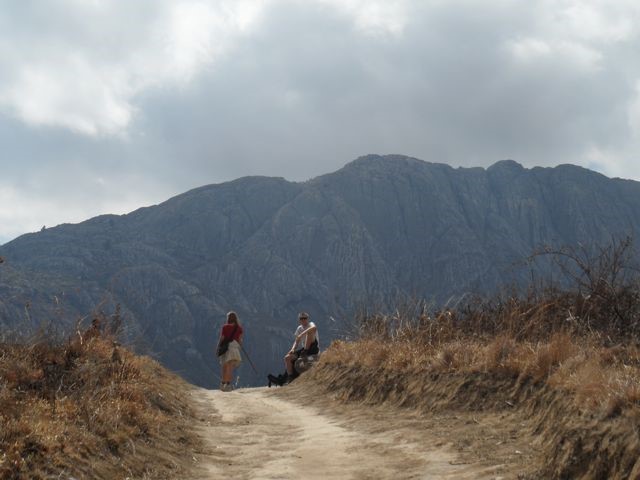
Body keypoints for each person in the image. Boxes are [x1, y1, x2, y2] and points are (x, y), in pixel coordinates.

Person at [284, 312, 319, 382]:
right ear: (299, 320)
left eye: (305, 318)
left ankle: (305, 351)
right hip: (304, 349)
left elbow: (314, 327)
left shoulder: (311, 324)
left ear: (307, 319)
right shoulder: (299, 328)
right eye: (301, 319)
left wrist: (301, 334)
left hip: (313, 347)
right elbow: (296, 341)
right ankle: (291, 377)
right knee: (287, 358)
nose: (303, 320)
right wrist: (293, 349)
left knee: (309, 332)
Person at [217, 311, 243, 392]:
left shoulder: (225, 327)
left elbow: (222, 338)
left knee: (224, 366)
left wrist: (218, 347)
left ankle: (222, 383)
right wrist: (240, 346)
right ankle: (228, 385)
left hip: (225, 348)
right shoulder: (239, 328)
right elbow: (240, 340)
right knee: (230, 367)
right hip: (234, 348)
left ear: (228, 318)